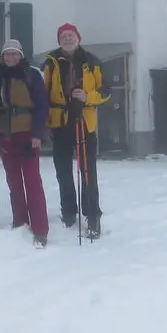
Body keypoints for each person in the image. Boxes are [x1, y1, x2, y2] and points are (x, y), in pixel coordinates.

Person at [43, 23, 110, 240]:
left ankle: (92, 216)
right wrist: (44, 122)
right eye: (63, 36)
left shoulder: (92, 61)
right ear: (59, 40)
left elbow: (106, 90)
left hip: (85, 122)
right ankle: (68, 212)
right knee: (62, 170)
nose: (68, 39)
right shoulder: (51, 62)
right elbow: (43, 92)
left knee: (88, 171)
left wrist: (87, 97)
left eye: (71, 35)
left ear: (78, 38)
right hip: (60, 122)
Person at [0, 38, 51, 247]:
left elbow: (42, 105)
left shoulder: (32, 75)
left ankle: (40, 229)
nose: (11, 57)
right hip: (6, 133)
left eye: (14, 54)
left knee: (32, 181)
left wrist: (37, 134)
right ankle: (20, 222)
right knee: (13, 181)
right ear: (3, 56)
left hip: (27, 133)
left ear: (20, 55)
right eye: (7, 54)